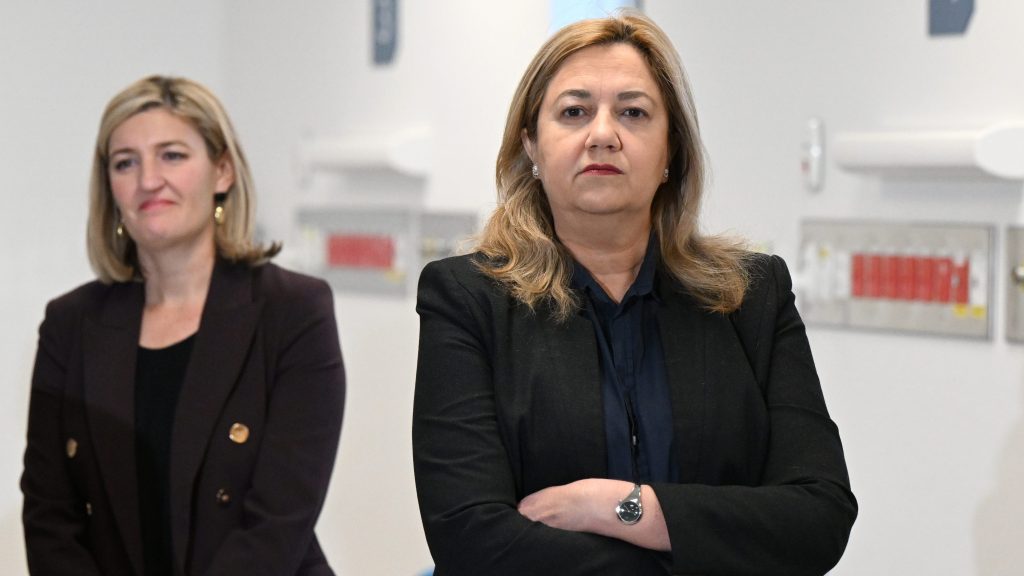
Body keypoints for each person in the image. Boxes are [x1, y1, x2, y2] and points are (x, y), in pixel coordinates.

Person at [412, 12, 856, 576]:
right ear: (532, 146)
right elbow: (471, 535)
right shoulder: (467, 298)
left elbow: (819, 515)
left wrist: (619, 509)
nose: (603, 134)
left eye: (633, 112)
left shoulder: (753, 294)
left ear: (670, 150)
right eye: (574, 112)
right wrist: (699, 551)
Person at [21, 75, 346, 576]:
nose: (149, 180)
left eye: (172, 155)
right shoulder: (69, 324)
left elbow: (278, 523)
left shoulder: (295, 311)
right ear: (110, 187)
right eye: (125, 162)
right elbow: (49, 517)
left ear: (222, 171)